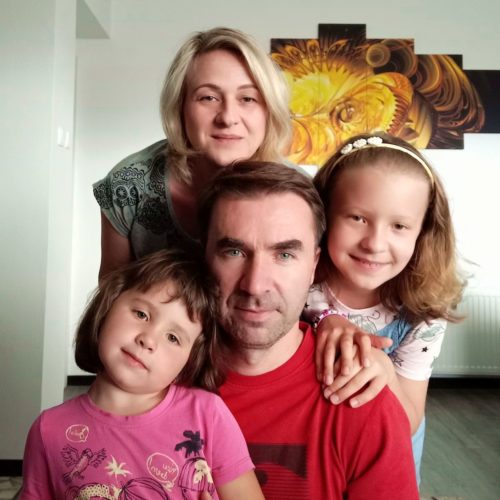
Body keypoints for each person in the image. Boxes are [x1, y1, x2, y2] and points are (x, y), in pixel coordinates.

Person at [199, 162, 419, 499]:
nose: (255, 284)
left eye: (284, 254)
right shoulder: (155, 375)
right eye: (234, 251)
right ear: (204, 256)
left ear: (314, 264)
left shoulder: (360, 396)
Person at [21, 249, 264, 500]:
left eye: (173, 337)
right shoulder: (48, 430)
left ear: (190, 360)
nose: (148, 339)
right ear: (109, 303)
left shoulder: (208, 415)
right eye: (141, 314)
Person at [307, 133, 465, 483]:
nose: (375, 243)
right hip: (314, 463)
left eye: (399, 226)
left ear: (422, 232)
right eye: (357, 218)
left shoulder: (423, 314)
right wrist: (324, 319)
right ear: (325, 213)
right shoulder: (298, 286)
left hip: (383, 471)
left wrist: (386, 372)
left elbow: (409, 422)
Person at [93, 27, 291, 279]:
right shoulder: (127, 185)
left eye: (248, 99)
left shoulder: (299, 194)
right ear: (180, 107)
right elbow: (112, 293)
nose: (228, 118)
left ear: (269, 111)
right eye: (208, 97)